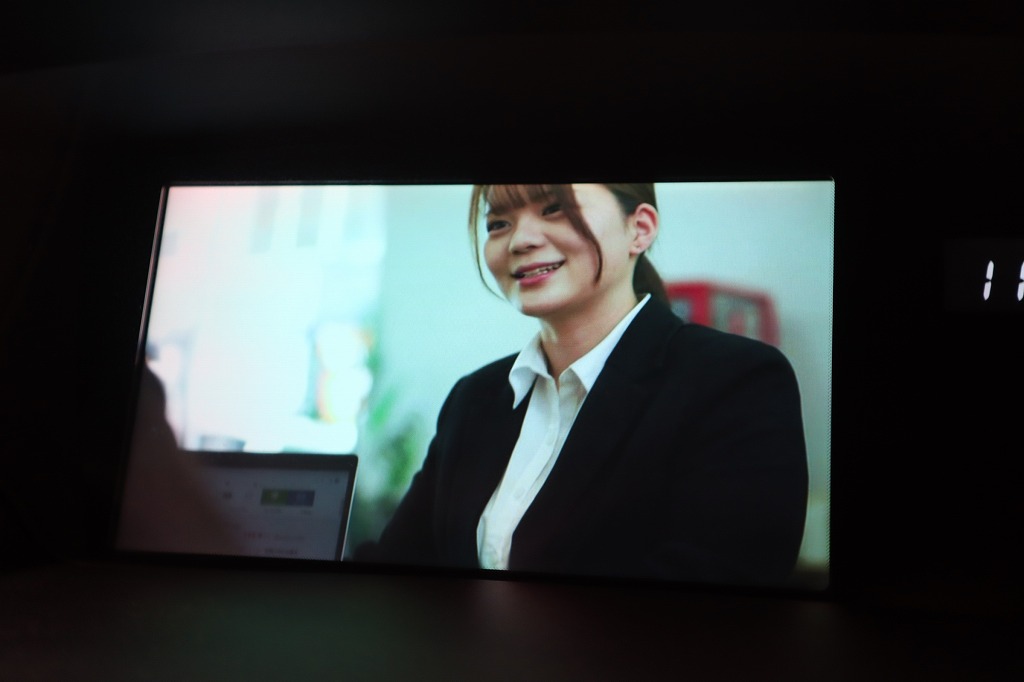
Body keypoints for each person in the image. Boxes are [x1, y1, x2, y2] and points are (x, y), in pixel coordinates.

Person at [358, 183, 808, 586]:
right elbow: (401, 564)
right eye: (498, 223)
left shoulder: (735, 381)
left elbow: (722, 588)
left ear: (640, 229)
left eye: (554, 208)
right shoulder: (473, 399)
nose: (520, 240)